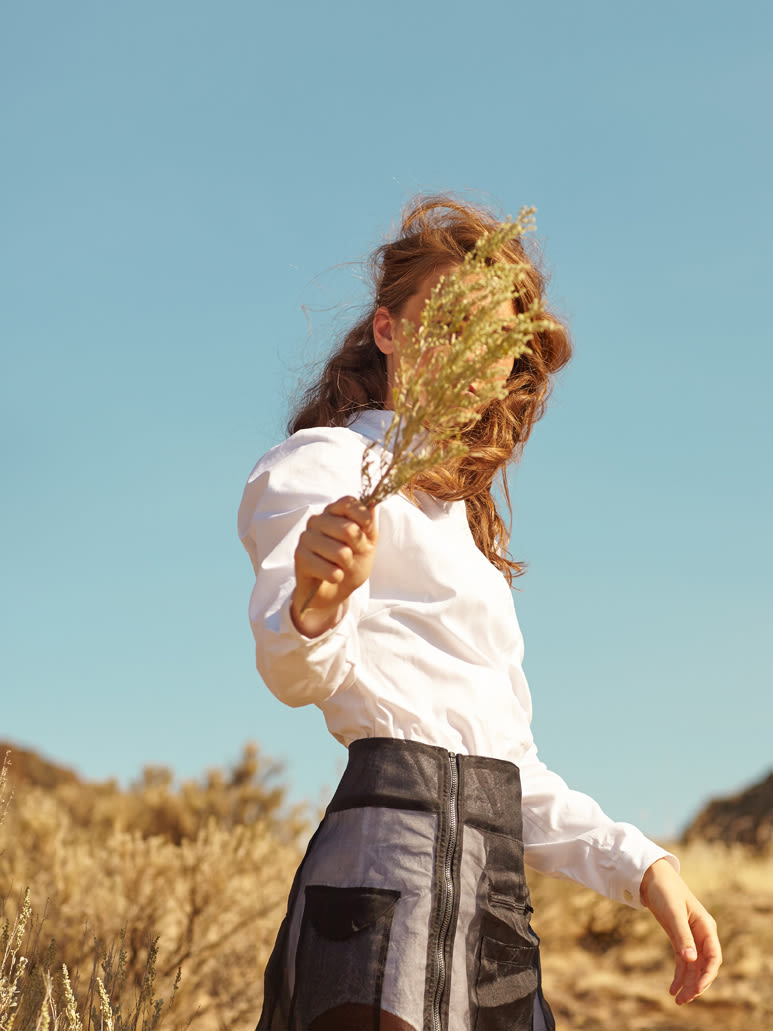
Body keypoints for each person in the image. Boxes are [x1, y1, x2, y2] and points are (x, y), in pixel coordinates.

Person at [237, 195, 722, 1031]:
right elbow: (293, 664)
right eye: (444, 319)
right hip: (384, 879)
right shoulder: (326, 463)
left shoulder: (472, 541)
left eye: (492, 338)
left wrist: (641, 865)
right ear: (387, 331)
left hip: (498, 910)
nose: (467, 351)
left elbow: (512, 772)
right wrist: (316, 601)